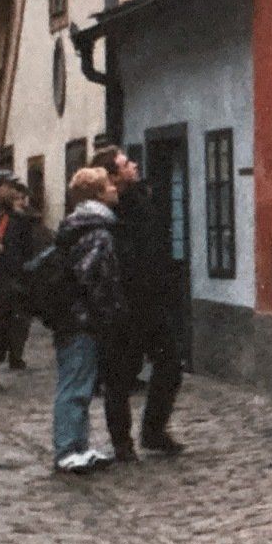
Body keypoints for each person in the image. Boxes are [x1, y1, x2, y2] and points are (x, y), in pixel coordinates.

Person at [92, 145, 185, 455]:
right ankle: (123, 442)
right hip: (124, 305)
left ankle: (153, 431)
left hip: (151, 301)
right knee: (119, 378)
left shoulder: (140, 199)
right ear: (115, 175)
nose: (133, 165)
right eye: (126, 163)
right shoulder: (108, 212)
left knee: (170, 365)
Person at [49, 167, 128, 473]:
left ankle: (78, 445)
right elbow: (92, 275)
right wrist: (108, 311)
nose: (114, 188)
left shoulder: (78, 224)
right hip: (81, 318)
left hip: (73, 316)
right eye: (108, 185)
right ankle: (67, 449)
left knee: (79, 381)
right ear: (97, 194)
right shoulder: (98, 229)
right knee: (75, 383)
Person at [0, 171, 43, 393]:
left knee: (1, 331)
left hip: (7, 282)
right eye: (10, 187)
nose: (15, 192)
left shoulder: (18, 220)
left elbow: (26, 251)